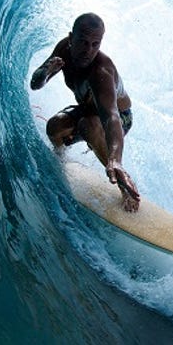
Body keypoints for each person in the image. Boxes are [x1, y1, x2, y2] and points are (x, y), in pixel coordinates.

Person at [30, 13, 141, 212]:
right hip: (89, 111)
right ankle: (59, 159)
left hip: (120, 117)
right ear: (71, 37)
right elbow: (35, 84)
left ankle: (124, 187)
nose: (88, 50)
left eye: (95, 44)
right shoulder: (64, 49)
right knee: (54, 127)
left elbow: (111, 118)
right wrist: (46, 72)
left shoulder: (101, 72)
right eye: (83, 42)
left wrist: (116, 159)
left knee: (89, 125)